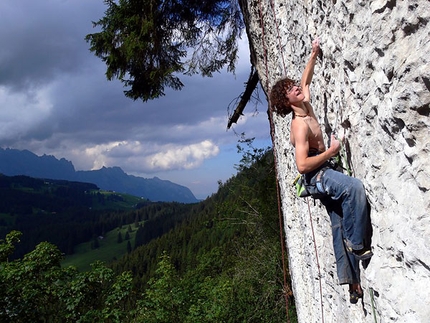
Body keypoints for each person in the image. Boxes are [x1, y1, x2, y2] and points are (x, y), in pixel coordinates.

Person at [269, 38, 372, 304]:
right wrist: (331, 152)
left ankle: (353, 283)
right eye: (292, 90)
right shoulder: (299, 126)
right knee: (353, 188)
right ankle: (357, 244)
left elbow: (306, 79)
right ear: (287, 101)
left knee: (338, 223)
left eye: (294, 86)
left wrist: (313, 54)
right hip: (317, 173)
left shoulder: (304, 104)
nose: (297, 88)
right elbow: (302, 165)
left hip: (323, 168)